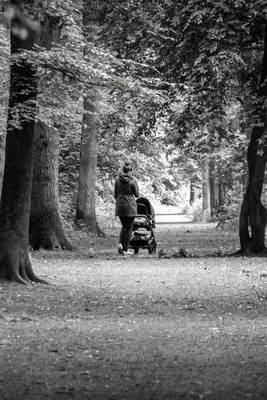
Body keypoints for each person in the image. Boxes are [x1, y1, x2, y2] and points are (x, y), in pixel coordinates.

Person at [114, 162, 139, 255]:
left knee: (124, 226)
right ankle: (125, 249)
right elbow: (137, 194)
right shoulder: (133, 181)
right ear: (131, 171)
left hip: (120, 205)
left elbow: (115, 194)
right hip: (130, 206)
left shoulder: (117, 180)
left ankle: (120, 244)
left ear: (122, 170)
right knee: (129, 228)